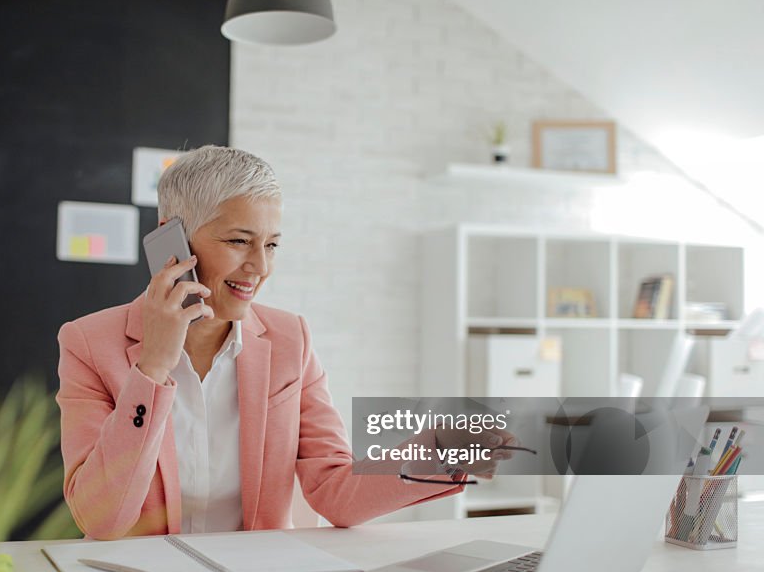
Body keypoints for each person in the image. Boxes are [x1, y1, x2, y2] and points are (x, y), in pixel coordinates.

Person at [57, 145, 514, 540]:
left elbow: (336, 491)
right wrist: (152, 368)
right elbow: (103, 519)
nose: (260, 267)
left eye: (272, 245)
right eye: (239, 240)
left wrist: (446, 450)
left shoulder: (289, 339)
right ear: (170, 238)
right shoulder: (89, 344)